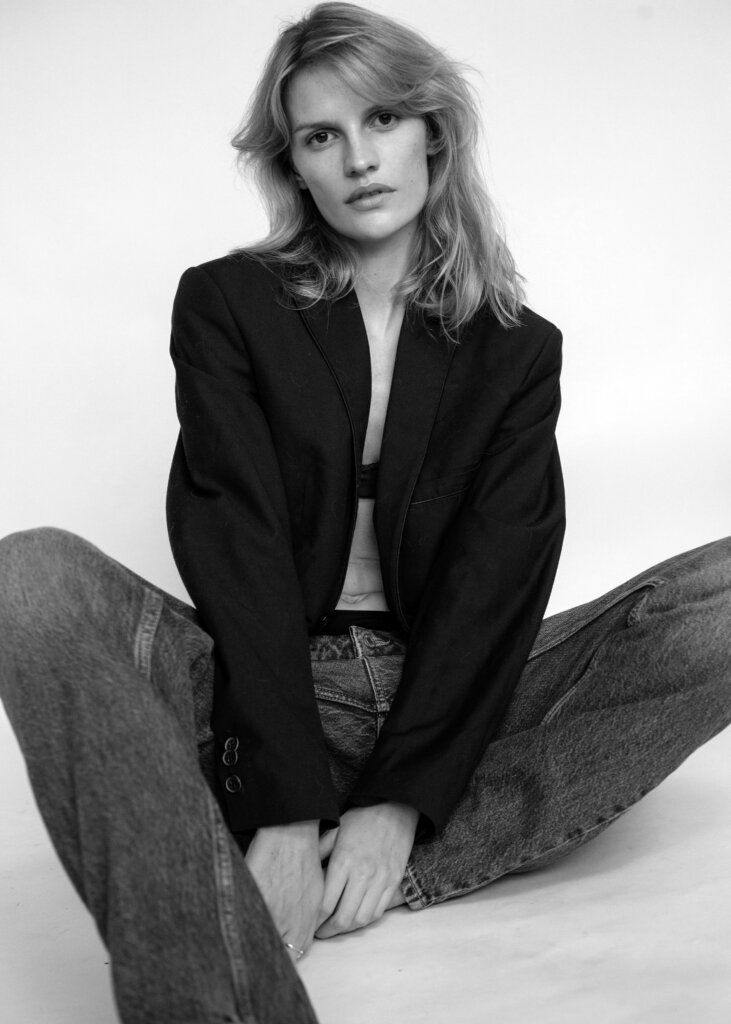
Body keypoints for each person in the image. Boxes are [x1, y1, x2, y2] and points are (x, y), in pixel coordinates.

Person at [1, 3, 729, 1022]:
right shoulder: (227, 304)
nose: (357, 158)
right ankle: (239, 954)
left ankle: (387, 847)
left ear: (432, 130)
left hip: (455, 694)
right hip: (252, 691)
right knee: (28, 571)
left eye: (382, 119)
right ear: (293, 165)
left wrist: (395, 801)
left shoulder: (517, 349)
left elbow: (494, 580)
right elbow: (237, 539)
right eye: (320, 135)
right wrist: (283, 801)